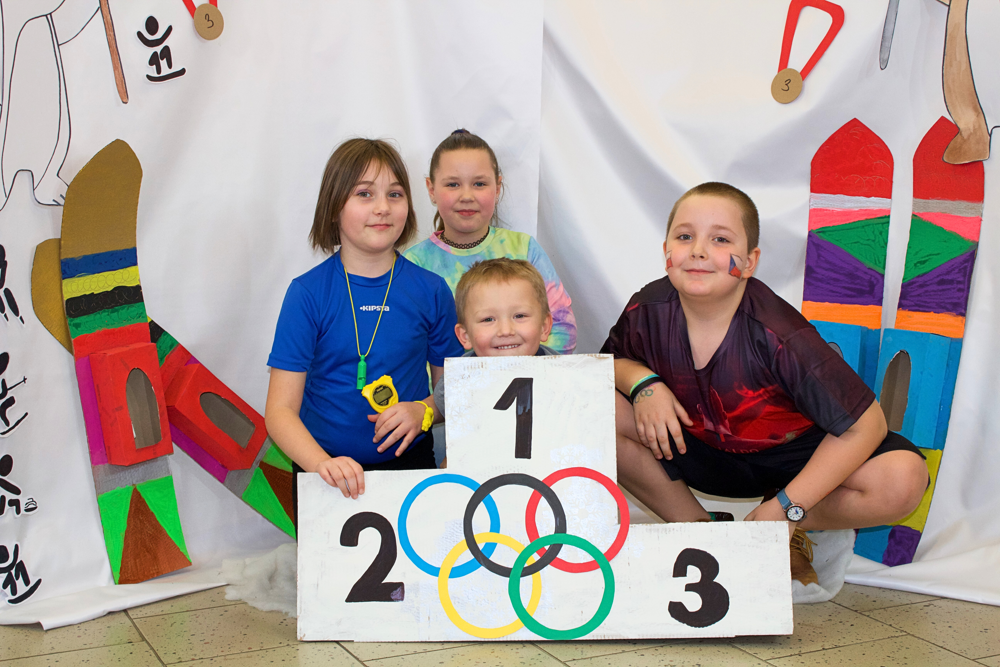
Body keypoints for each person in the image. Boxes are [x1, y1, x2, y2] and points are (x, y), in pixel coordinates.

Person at [602, 182, 929, 585]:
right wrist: (643, 384)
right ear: (666, 250)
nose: (698, 250)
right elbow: (605, 365)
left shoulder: (780, 334)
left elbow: (867, 424)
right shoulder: (647, 308)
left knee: (902, 481)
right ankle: (701, 532)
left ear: (750, 261)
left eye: (720, 239)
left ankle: (778, 525)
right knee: (597, 409)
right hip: (700, 449)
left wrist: (788, 508)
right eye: (685, 237)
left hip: (797, 461)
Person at [265, 139, 463, 513]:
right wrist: (321, 465)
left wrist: (424, 411)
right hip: (323, 474)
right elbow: (279, 412)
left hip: (410, 467)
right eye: (365, 194)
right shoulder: (307, 294)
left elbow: (455, 391)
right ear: (333, 207)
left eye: (395, 194)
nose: (382, 207)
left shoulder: (432, 290)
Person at [403, 129, 577, 354]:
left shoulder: (524, 249)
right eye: (453, 184)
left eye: (479, 184)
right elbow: (406, 344)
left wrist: (519, 369)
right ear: (431, 189)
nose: (467, 196)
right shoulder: (413, 263)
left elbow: (562, 328)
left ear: (497, 188)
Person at [433, 258, 558, 420]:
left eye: (519, 316)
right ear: (465, 336)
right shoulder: (455, 384)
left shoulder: (567, 377)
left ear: (544, 327)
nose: (505, 331)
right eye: (488, 319)